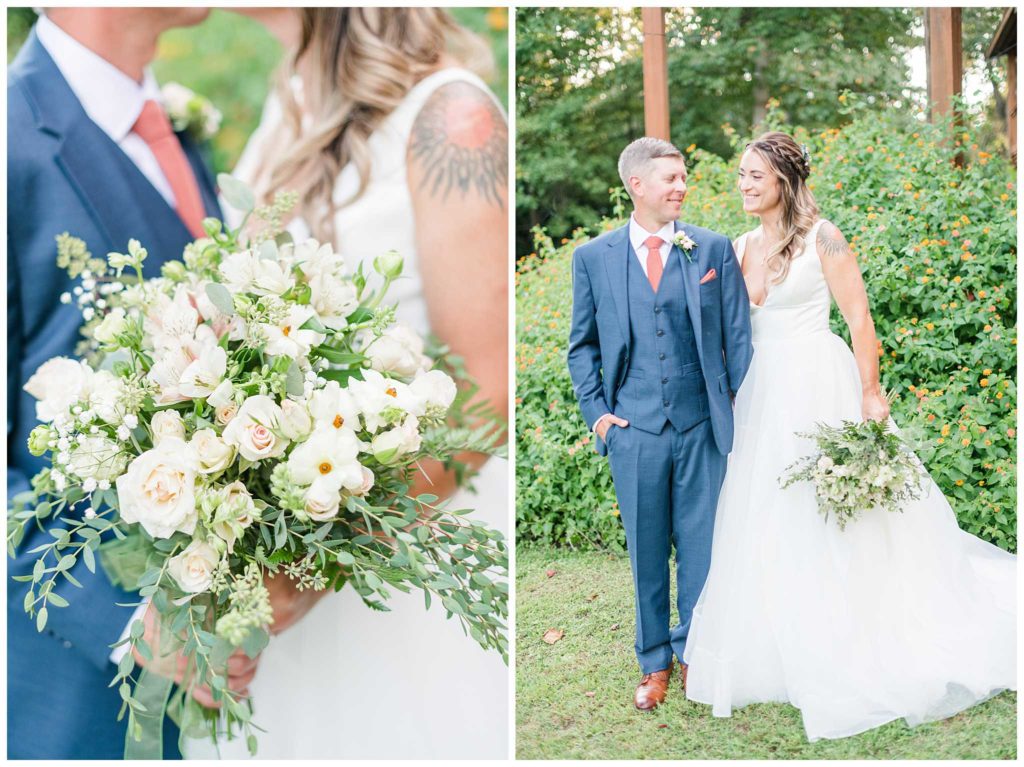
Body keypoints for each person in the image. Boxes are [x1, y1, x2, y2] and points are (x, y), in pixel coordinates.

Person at [183, 8, 509, 758]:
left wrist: (311, 570)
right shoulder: (289, 108)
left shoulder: (451, 116)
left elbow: (488, 397)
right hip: (275, 591)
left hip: (394, 591)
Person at [683, 131, 1017, 741]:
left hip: (816, 383)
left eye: (755, 174)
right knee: (765, 512)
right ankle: (780, 645)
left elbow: (860, 318)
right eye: (740, 174)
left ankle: (861, 631)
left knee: (835, 511)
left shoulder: (825, 236)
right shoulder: (736, 247)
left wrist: (870, 393)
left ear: (784, 180)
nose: (744, 184)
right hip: (760, 394)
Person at [6, 8, 226, 759]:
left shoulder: (177, 132)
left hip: (221, 681)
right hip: (64, 693)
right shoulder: (11, 142)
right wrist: (128, 622)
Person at [567, 137, 753, 711]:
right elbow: (582, 347)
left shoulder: (712, 249)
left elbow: (739, 338)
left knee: (700, 550)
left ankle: (695, 653)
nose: (681, 186)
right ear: (636, 186)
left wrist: (729, 404)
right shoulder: (594, 258)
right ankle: (654, 662)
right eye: (669, 178)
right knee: (646, 551)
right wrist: (600, 417)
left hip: (700, 427)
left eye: (683, 176)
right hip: (635, 432)